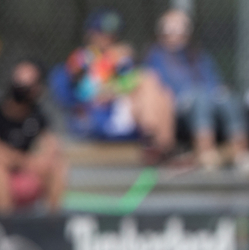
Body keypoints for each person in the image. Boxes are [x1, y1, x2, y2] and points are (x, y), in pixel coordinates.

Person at [144, 9, 249, 174]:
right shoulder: (156, 57)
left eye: (181, 29)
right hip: (178, 107)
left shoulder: (199, 56)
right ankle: (206, 153)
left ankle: (242, 155)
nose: (176, 35)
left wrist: (218, 91)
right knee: (199, 97)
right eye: (170, 30)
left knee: (228, 98)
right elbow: (159, 88)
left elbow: (213, 81)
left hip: (206, 99)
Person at [52, 9, 175, 161]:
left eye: (112, 34)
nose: (108, 39)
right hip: (99, 114)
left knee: (162, 92)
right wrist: (111, 60)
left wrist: (120, 75)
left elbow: (128, 83)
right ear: (91, 34)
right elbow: (87, 93)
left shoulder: (122, 58)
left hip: (128, 108)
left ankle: (159, 144)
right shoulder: (81, 58)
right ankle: (164, 147)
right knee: (148, 80)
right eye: (103, 33)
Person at [0, 60, 68, 213]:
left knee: (58, 165)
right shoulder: (2, 110)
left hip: (26, 173)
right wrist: (26, 162)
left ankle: (52, 225)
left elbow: (52, 145)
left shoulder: (38, 115)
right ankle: (6, 227)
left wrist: (45, 158)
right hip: (7, 173)